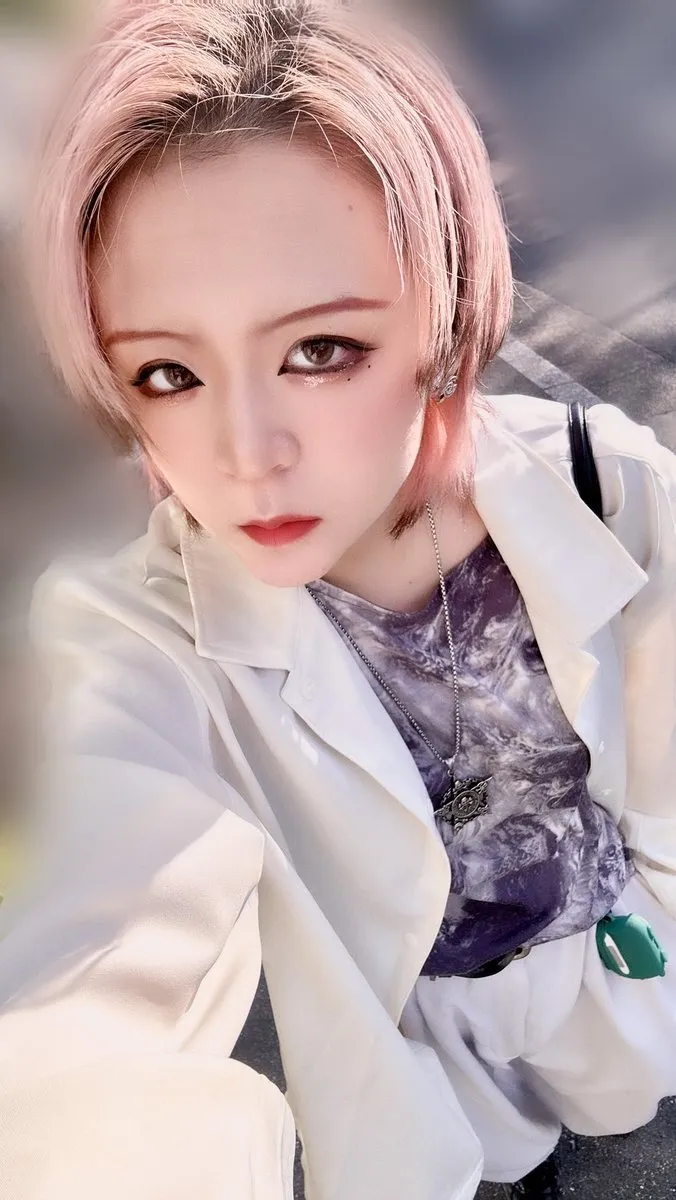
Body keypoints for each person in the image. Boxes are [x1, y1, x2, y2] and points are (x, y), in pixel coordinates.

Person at [0, 2, 674, 1197]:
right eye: (168, 372)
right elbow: (86, 998)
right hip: (448, 1118)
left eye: (318, 350)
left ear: (443, 312)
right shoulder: (134, 639)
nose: (245, 452)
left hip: (640, 1028)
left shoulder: (605, 486)